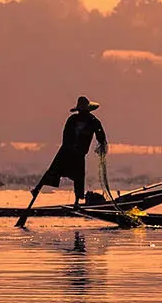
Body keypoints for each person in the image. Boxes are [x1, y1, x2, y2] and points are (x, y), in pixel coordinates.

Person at [15, 96, 108, 228]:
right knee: (56, 171)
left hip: (74, 153)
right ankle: (39, 190)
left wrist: (101, 145)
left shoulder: (91, 121)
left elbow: (101, 136)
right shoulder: (78, 120)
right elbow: (67, 136)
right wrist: (73, 147)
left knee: (76, 176)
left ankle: (74, 201)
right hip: (69, 151)